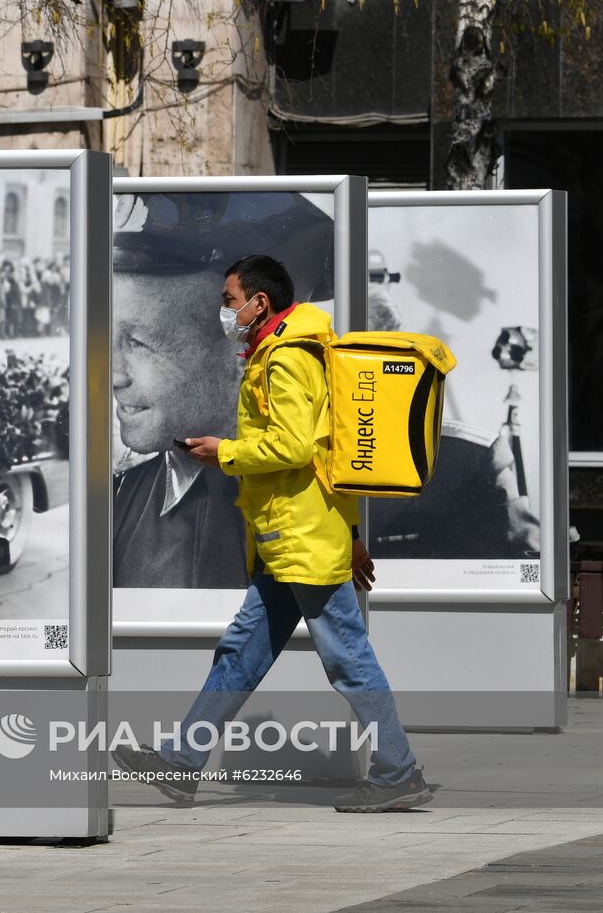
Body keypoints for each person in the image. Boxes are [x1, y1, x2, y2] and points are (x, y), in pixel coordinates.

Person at [112, 254, 431, 813]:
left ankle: (397, 772)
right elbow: (333, 453)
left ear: (260, 303)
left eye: (230, 300)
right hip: (290, 538)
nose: (225, 311)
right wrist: (351, 532)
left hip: (302, 540)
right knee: (239, 654)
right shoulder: (288, 350)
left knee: (348, 659)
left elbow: (295, 446)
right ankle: (182, 762)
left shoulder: (285, 360)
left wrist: (222, 451)